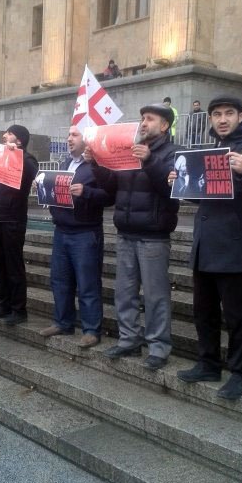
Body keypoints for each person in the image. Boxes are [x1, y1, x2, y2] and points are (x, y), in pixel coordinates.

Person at [176, 96, 242, 399]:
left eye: (228, 113)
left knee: (236, 315)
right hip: (204, 243)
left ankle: (240, 374)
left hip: (233, 245)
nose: (222, 119)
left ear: (241, 116)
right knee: (203, 311)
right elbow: (203, 194)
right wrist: (180, 181)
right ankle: (208, 363)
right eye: (216, 114)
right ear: (210, 119)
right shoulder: (208, 150)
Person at [90, 104, 179, 370]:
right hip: (126, 232)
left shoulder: (173, 153)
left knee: (155, 295)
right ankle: (129, 339)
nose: (143, 123)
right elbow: (111, 187)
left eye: (150, 119)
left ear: (164, 126)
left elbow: (172, 189)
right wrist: (95, 163)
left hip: (153, 235)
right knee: (124, 293)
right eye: (141, 118)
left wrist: (150, 160)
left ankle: (158, 347)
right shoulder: (130, 151)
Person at [39, 125, 114, 348]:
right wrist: (44, 186)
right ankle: (63, 321)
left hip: (85, 233)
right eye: (69, 135)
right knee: (60, 281)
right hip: (62, 230)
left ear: (87, 139)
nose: (69, 139)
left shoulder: (97, 165)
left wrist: (86, 192)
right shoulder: (65, 164)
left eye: (75, 135)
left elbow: (110, 197)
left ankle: (91, 329)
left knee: (87, 283)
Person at [0, 124, 38, 326]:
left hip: (14, 219)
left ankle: (18, 309)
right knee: (0, 264)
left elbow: (29, 174)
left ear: (19, 140)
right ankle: (4, 304)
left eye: (9, 133)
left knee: (14, 266)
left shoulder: (28, 160)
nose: (4, 136)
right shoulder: (3, 157)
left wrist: (17, 155)